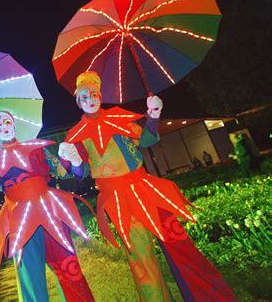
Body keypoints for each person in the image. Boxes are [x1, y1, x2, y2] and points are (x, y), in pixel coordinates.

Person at [59, 71, 236, 302]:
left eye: (93, 93)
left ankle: (208, 297)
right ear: (77, 102)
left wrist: (153, 115)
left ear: (100, 95)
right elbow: (80, 174)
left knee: (179, 244)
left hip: (145, 188)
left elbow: (146, 140)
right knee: (141, 260)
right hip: (118, 200)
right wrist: (71, 161)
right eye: (84, 97)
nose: (90, 99)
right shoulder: (75, 135)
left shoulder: (119, 117)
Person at [0, 111, 94, 302]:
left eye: (6, 121)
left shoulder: (36, 148)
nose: (4, 127)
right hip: (21, 223)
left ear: (14, 124)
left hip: (50, 212)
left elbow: (64, 171)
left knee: (70, 270)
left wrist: (73, 161)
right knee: (32, 282)